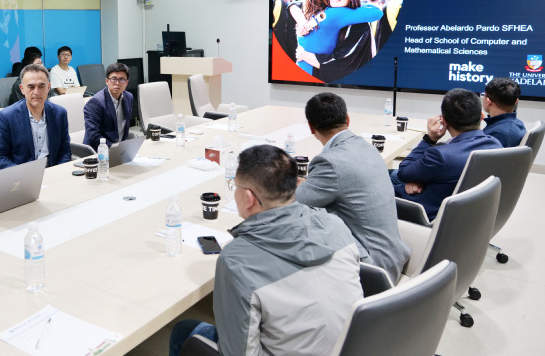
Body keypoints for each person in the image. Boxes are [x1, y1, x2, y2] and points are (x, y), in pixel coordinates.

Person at [169, 145, 362, 356]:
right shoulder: (335, 225)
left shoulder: (237, 260)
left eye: (235, 186)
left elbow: (238, 353)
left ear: (249, 198)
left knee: (183, 330)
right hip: (351, 347)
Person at [296, 92, 410, 282]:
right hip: (394, 257)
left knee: (302, 220)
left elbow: (294, 204)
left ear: (310, 127)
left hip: (371, 271)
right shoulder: (368, 147)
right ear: (348, 119)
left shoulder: (329, 162)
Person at [391, 88, 502, 220]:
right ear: (482, 116)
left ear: (444, 121)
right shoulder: (496, 145)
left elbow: (403, 172)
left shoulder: (441, 156)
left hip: (423, 214)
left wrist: (429, 139)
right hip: (468, 217)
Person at [292, 0, 382, 77]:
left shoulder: (310, 13)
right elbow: (377, 11)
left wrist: (304, 55)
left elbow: (294, 4)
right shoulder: (331, 12)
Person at [0, 64, 71, 169]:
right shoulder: (6, 117)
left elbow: (65, 151)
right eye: (31, 87)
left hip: (52, 171)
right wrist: (23, 174)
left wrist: (59, 171)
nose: (36, 92)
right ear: (22, 89)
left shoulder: (59, 114)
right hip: (21, 173)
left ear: (48, 87)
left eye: (41, 86)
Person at [83, 63, 132, 151]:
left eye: (121, 79)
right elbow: (93, 136)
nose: (117, 83)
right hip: (97, 151)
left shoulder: (128, 97)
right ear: (107, 81)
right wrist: (115, 148)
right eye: (113, 79)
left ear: (127, 83)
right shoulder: (95, 103)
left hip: (119, 150)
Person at [482, 77, 526, 147]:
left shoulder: (496, 134)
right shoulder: (518, 124)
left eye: (484, 95)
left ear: (488, 101)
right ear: (516, 101)